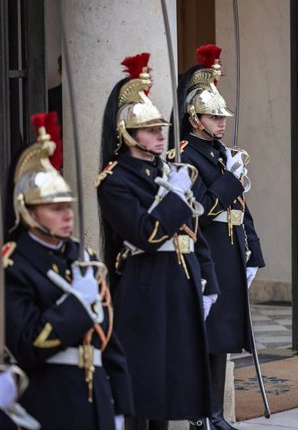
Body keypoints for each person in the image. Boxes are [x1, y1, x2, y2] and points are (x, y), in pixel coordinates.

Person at [96, 53, 219, 430]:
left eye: (160, 127)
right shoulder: (114, 180)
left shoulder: (167, 169)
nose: (160, 134)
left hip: (179, 281)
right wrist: (176, 201)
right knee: (143, 382)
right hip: (145, 284)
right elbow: (146, 234)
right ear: (127, 134)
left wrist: (208, 278)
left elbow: (195, 229)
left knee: (170, 383)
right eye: (150, 129)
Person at [2, 112, 132, 429]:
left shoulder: (82, 258)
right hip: (50, 400)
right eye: (55, 208)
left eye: (69, 206)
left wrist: (118, 402)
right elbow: (29, 345)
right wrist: (76, 307)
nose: (68, 216)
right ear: (28, 211)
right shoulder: (14, 265)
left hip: (96, 398)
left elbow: (108, 339)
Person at [174, 44, 263, 430]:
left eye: (222, 116)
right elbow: (202, 207)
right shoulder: (186, 155)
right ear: (195, 118)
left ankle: (215, 411)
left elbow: (241, 206)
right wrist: (229, 178)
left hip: (229, 251)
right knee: (206, 337)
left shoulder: (219, 152)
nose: (221, 122)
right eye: (214, 117)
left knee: (224, 336)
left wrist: (254, 250)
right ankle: (204, 413)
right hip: (206, 250)